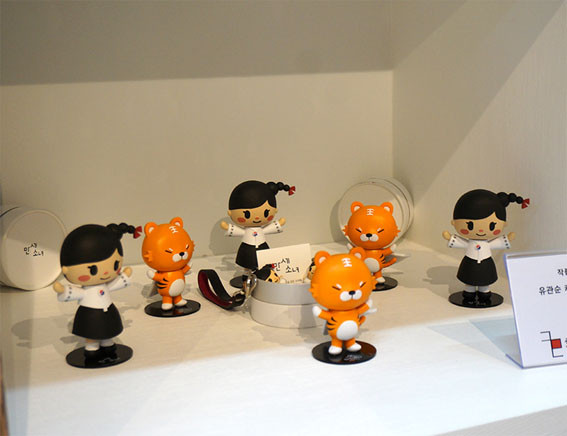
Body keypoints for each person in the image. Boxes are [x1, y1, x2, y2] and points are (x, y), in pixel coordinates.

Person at [442, 189, 528, 304]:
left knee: (485, 279)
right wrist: (451, 238)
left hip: (486, 264)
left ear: (504, 224)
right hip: (470, 263)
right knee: (469, 279)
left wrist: (507, 239)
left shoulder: (487, 244)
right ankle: (469, 291)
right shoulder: (471, 243)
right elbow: (462, 243)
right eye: (470, 225)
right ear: (454, 222)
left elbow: (496, 243)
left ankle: (484, 292)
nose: (481, 230)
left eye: (492, 226)